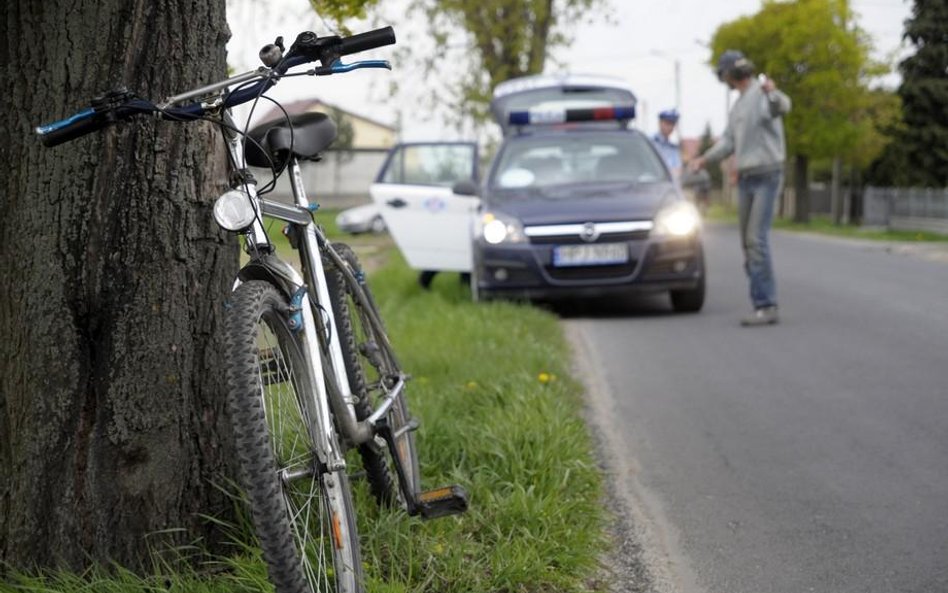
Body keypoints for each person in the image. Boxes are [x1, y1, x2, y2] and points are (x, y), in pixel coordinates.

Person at [689, 49, 791, 327]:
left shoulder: (763, 93)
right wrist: (703, 160)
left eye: (724, 73)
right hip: (746, 178)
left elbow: (782, 107)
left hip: (768, 174)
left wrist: (773, 92)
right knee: (747, 243)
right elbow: (728, 143)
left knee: (756, 240)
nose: (723, 78)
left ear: (732, 73)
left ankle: (766, 305)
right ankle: (760, 299)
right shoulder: (737, 107)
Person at [651, 109, 682, 179]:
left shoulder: (673, 148)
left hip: (667, 184)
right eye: (667, 123)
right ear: (660, 123)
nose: (670, 127)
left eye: (672, 124)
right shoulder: (650, 143)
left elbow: (678, 170)